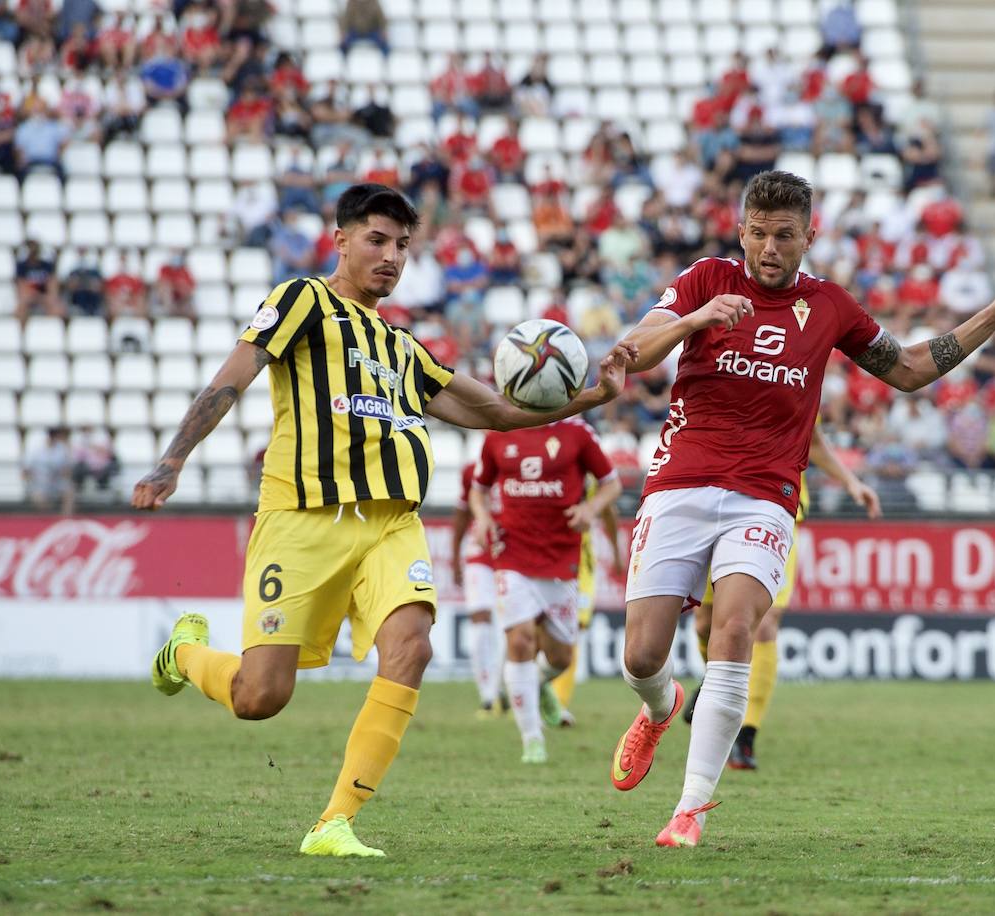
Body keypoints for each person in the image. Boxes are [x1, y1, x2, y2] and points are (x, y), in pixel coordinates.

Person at [132, 183, 635, 859]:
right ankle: (184, 652)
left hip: (392, 525)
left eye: (402, 244)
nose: (392, 256)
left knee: (413, 645)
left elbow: (495, 412)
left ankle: (334, 822)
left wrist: (590, 397)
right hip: (303, 520)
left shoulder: (403, 347)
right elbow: (236, 374)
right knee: (260, 697)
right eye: (377, 240)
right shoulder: (302, 301)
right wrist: (173, 458)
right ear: (339, 240)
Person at [606, 170, 995, 848]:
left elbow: (911, 369)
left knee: (737, 627)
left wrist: (991, 317)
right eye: (757, 234)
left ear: (810, 235)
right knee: (641, 655)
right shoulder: (703, 281)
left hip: (766, 496)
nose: (769, 249)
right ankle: (661, 708)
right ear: (740, 230)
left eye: (785, 236)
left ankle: (688, 809)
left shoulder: (830, 306)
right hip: (679, 485)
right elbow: (631, 352)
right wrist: (696, 319)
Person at [681, 424, 882, 769]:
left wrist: (850, 481)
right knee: (706, 625)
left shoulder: (797, 372)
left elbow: (812, 440)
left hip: (778, 510)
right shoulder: (727, 373)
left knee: (762, 625)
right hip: (719, 505)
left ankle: (745, 736)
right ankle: (718, 677)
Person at [469, 419, 622, 763]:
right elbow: (478, 489)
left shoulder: (578, 433)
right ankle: (532, 739)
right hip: (512, 553)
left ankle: (536, 684)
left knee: (560, 657)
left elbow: (611, 485)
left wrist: (590, 509)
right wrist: (483, 517)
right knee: (520, 640)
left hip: (562, 559)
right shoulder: (499, 432)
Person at [550, 475, 624, 723]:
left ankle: (557, 704)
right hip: (546, 554)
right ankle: (530, 693)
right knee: (540, 630)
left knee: (574, 626)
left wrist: (615, 551)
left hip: (581, 563)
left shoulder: (591, 467)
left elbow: (608, 510)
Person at [450, 462, 504, 717]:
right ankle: (487, 696)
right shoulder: (473, 469)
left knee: (508, 626)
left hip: (514, 554)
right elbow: (462, 515)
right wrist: (454, 557)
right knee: (480, 620)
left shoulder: (525, 461)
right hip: (480, 555)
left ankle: (501, 688)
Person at [25, 426, 75, 514]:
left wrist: (63, 474)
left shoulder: (62, 449)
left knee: (69, 492)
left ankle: (65, 517)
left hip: (57, 481)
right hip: (40, 483)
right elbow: (27, 470)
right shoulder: (36, 450)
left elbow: (67, 469)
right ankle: (49, 516)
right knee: (38, 498)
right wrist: (33, 480)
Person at [15, 239, 62, 319]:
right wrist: (34, 296)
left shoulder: (47, 266)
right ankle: (22, 330)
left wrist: (46, 298)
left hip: (45, 296)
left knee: (57, 309)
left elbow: (52, 285)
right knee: (20, 309)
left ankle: (52, 328)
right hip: (29, 296)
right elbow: (21, 286)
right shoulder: (22, 267)